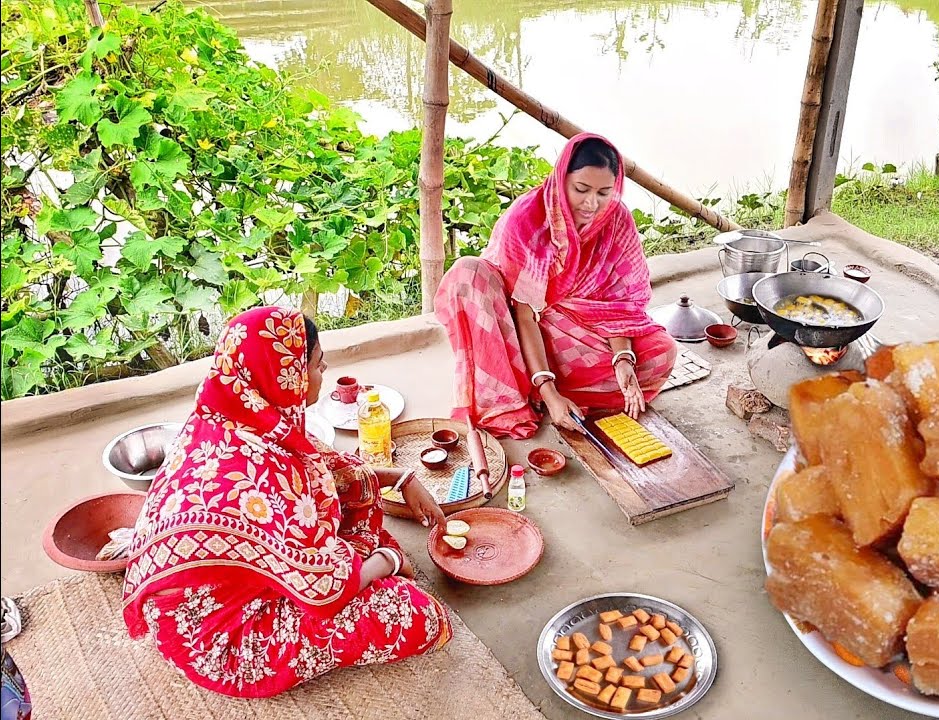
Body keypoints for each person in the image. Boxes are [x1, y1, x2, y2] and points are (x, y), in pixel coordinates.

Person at [122, 307, 451, 698]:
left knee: (346, 487)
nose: (324, 368)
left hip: (204, 597)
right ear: (284, 375)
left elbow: (331, 470)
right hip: (220, 641)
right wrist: (387, 562)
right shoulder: (260, 472)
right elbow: (324, 590)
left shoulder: (226, 416)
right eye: (314, 362)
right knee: (414, 615)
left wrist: (402, 477)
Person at [435, 133, 677, 439]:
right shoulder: (527, 220)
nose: (592, 204)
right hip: (515, 326)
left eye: (604, 192)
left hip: (571, 326)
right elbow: (525, 315)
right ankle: (527, 389)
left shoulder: (616, 221)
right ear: (562, 179)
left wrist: (623, 360)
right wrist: (550, 395)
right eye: (581, 189)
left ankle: (548, 389)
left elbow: (618, 308)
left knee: (661, 352)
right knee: (467, 274)